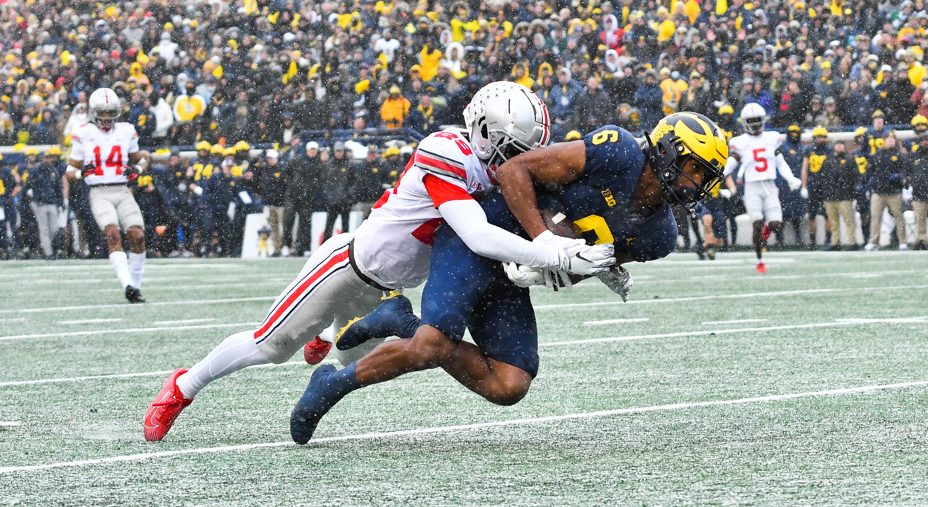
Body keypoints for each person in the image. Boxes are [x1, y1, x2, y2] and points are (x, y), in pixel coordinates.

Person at [142, 82, 614, 442]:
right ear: (485, 133)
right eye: (516, 150)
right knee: (273, 346)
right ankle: (183, 386)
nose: (522, 161)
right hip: (349, 266)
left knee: (351, 353)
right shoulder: (447, 150)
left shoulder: (495, 170)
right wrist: (545, 249)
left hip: (389, 290)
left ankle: (331, 337)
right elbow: (475, 234)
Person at [289, 112, 728, 445]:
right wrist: (541, 240)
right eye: (698, 171)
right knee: (431, 346)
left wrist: (564, 271)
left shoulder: (660, 235)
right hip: (484, 237)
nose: (700, 185)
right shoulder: (618, 152)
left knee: (509, 384)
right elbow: (513, 171)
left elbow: (578, 260)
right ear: (670, 152)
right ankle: (333, 382)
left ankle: (400, 319)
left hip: (517, 271)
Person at [64, 88, 150, 303]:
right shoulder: (83, 132)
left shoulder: (126, 130)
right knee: (113, 234)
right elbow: (69, 171)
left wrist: (138, 169)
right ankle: (127, 284)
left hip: (122, 189)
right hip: (99, 191)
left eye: (111, 112)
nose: (107, 117)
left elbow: (143, 158)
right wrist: (81, 172)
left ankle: (136, 287)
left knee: (138, 236)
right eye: (103, 112)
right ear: (94, 112)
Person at [723, 103, 801, 273]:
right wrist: (719, 175)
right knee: (757, 221)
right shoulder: (740, 142)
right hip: (752, 188)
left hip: (770, 186)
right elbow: (732, 163)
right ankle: (759, 260)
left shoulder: (772, 138)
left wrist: (790, 178)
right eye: (750, 120)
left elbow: (780, 162)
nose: (754, 124)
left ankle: (763, 238)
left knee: (775, 224)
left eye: (756, 120)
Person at [864, 133, 909, 251]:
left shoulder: (900, 155)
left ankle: (902, 242)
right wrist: (870, 183)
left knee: (899, 217)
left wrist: (899, 177)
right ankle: (874, 241)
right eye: (888, 139)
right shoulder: (877, 154)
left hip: (894, 192)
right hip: (878, 192)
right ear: (884, 141)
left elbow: (905, 171)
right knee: (875, 217)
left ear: (895, 141)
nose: (890, 141)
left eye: (892, 139)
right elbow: (870, 171)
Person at [281, 141, 323, 257]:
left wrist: (312, 191)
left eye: (314, 150)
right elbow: (286, 173)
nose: (312, 152)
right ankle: (286, 245)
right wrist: (291, 185)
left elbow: (320, 181)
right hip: (293, 196)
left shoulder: (319, 164)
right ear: (307, 150)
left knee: (306, 223)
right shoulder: (297, 160)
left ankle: (304, 247)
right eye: (311, 149)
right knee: (288, 220)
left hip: (307, 198)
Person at [818, 140, 859, 251]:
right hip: (830, 196)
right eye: (837, 145)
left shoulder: (850, 159)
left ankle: (852, 242)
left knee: (849, 221)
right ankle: (835, 242)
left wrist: (852, 191)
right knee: (833, 222)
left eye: (841, 145)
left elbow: (855, 176)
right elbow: (822, 177)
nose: (839, 147)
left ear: (844, 147)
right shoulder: (828, 160)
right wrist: (824, 192)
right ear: (834, 147)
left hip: (845, 196)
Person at [27, 147, 66, 259]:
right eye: (47, 158)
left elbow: (58, 188)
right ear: (42, 158)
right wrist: (32, 198)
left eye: (50, 158)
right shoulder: (35, 171)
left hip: (52, 203)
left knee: (54, 229)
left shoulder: (54, 171)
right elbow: (27, 187)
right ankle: (49, 253)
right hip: (40, 204)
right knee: (44, 229)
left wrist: (61, 202)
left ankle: (53, 249)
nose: (49, 160)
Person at [800, 126, 832, 250]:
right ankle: (812, 242)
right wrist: (804, 186)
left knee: (827, 215)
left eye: (822, 137)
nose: (820, 139)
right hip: (813, 186)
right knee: (812, 215)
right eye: (818, 137)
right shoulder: (809, 150)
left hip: (826, 186)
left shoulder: (829, 151)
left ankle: (828, 240)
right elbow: (804, 169)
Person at [322, 142, 354, 239]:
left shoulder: (349, 165)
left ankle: (345, 249)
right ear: (334, 152)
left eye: (340, 151)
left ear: (343, 152)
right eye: (337, 151)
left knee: (345, 227)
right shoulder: (329, 165)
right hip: (332, 201)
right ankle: (325, 248)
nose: (339, 153)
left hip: (345, 201)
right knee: (328, 226)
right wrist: (328, 196)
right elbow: (324, 182)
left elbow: (354, 182)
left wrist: (349, 195)